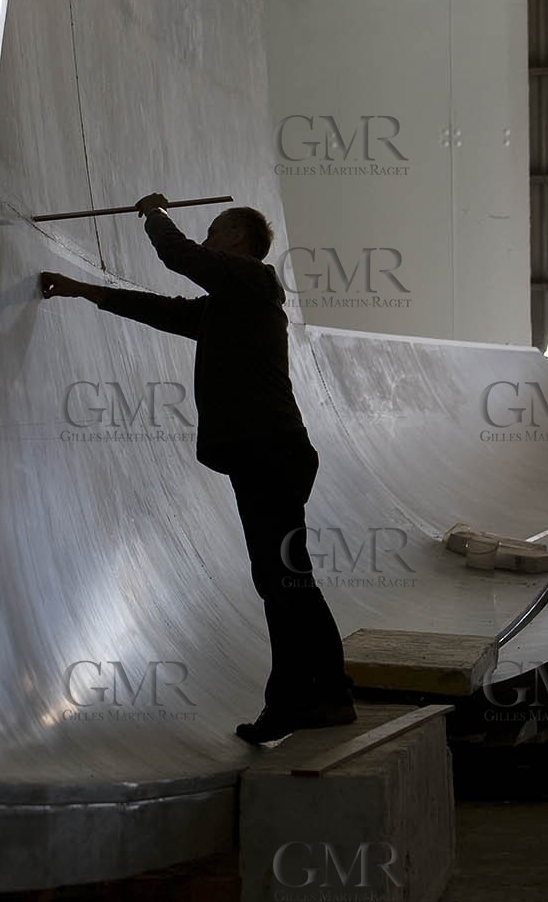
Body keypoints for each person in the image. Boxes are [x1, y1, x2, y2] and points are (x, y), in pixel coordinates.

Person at [40, 193, 355, 745]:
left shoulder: (252, 282)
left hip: (269, 452)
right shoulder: (231, 305)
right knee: (287, 578)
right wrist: (81, 289)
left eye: (215, 233)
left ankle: (295, 703)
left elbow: (180, 258)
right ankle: (325, 696)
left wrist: (154, 215)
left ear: (236, 241)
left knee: (282, 581)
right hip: (268, 453)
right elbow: (163, 310)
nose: (207, 241)